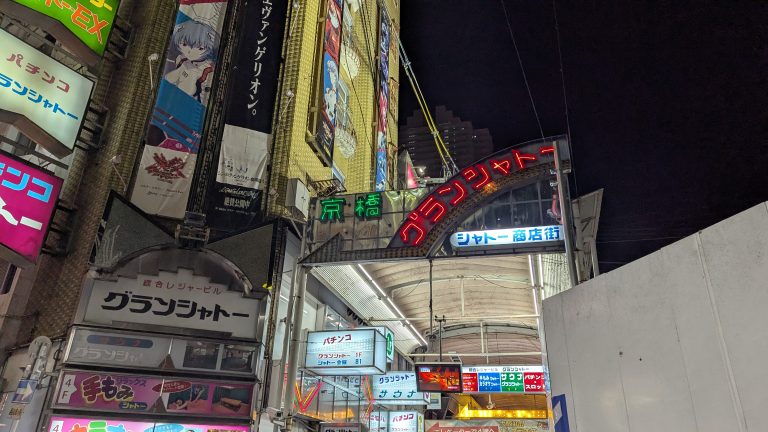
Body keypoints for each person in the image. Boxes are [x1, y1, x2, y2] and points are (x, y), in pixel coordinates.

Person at [164, 19, 220, 105]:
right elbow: (170, 78)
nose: (190, 51)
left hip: (192, 102)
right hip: (172, 97)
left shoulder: (207, 66)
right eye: (184, 45)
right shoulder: (181, 58)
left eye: (200, 48)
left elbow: (190, 90)